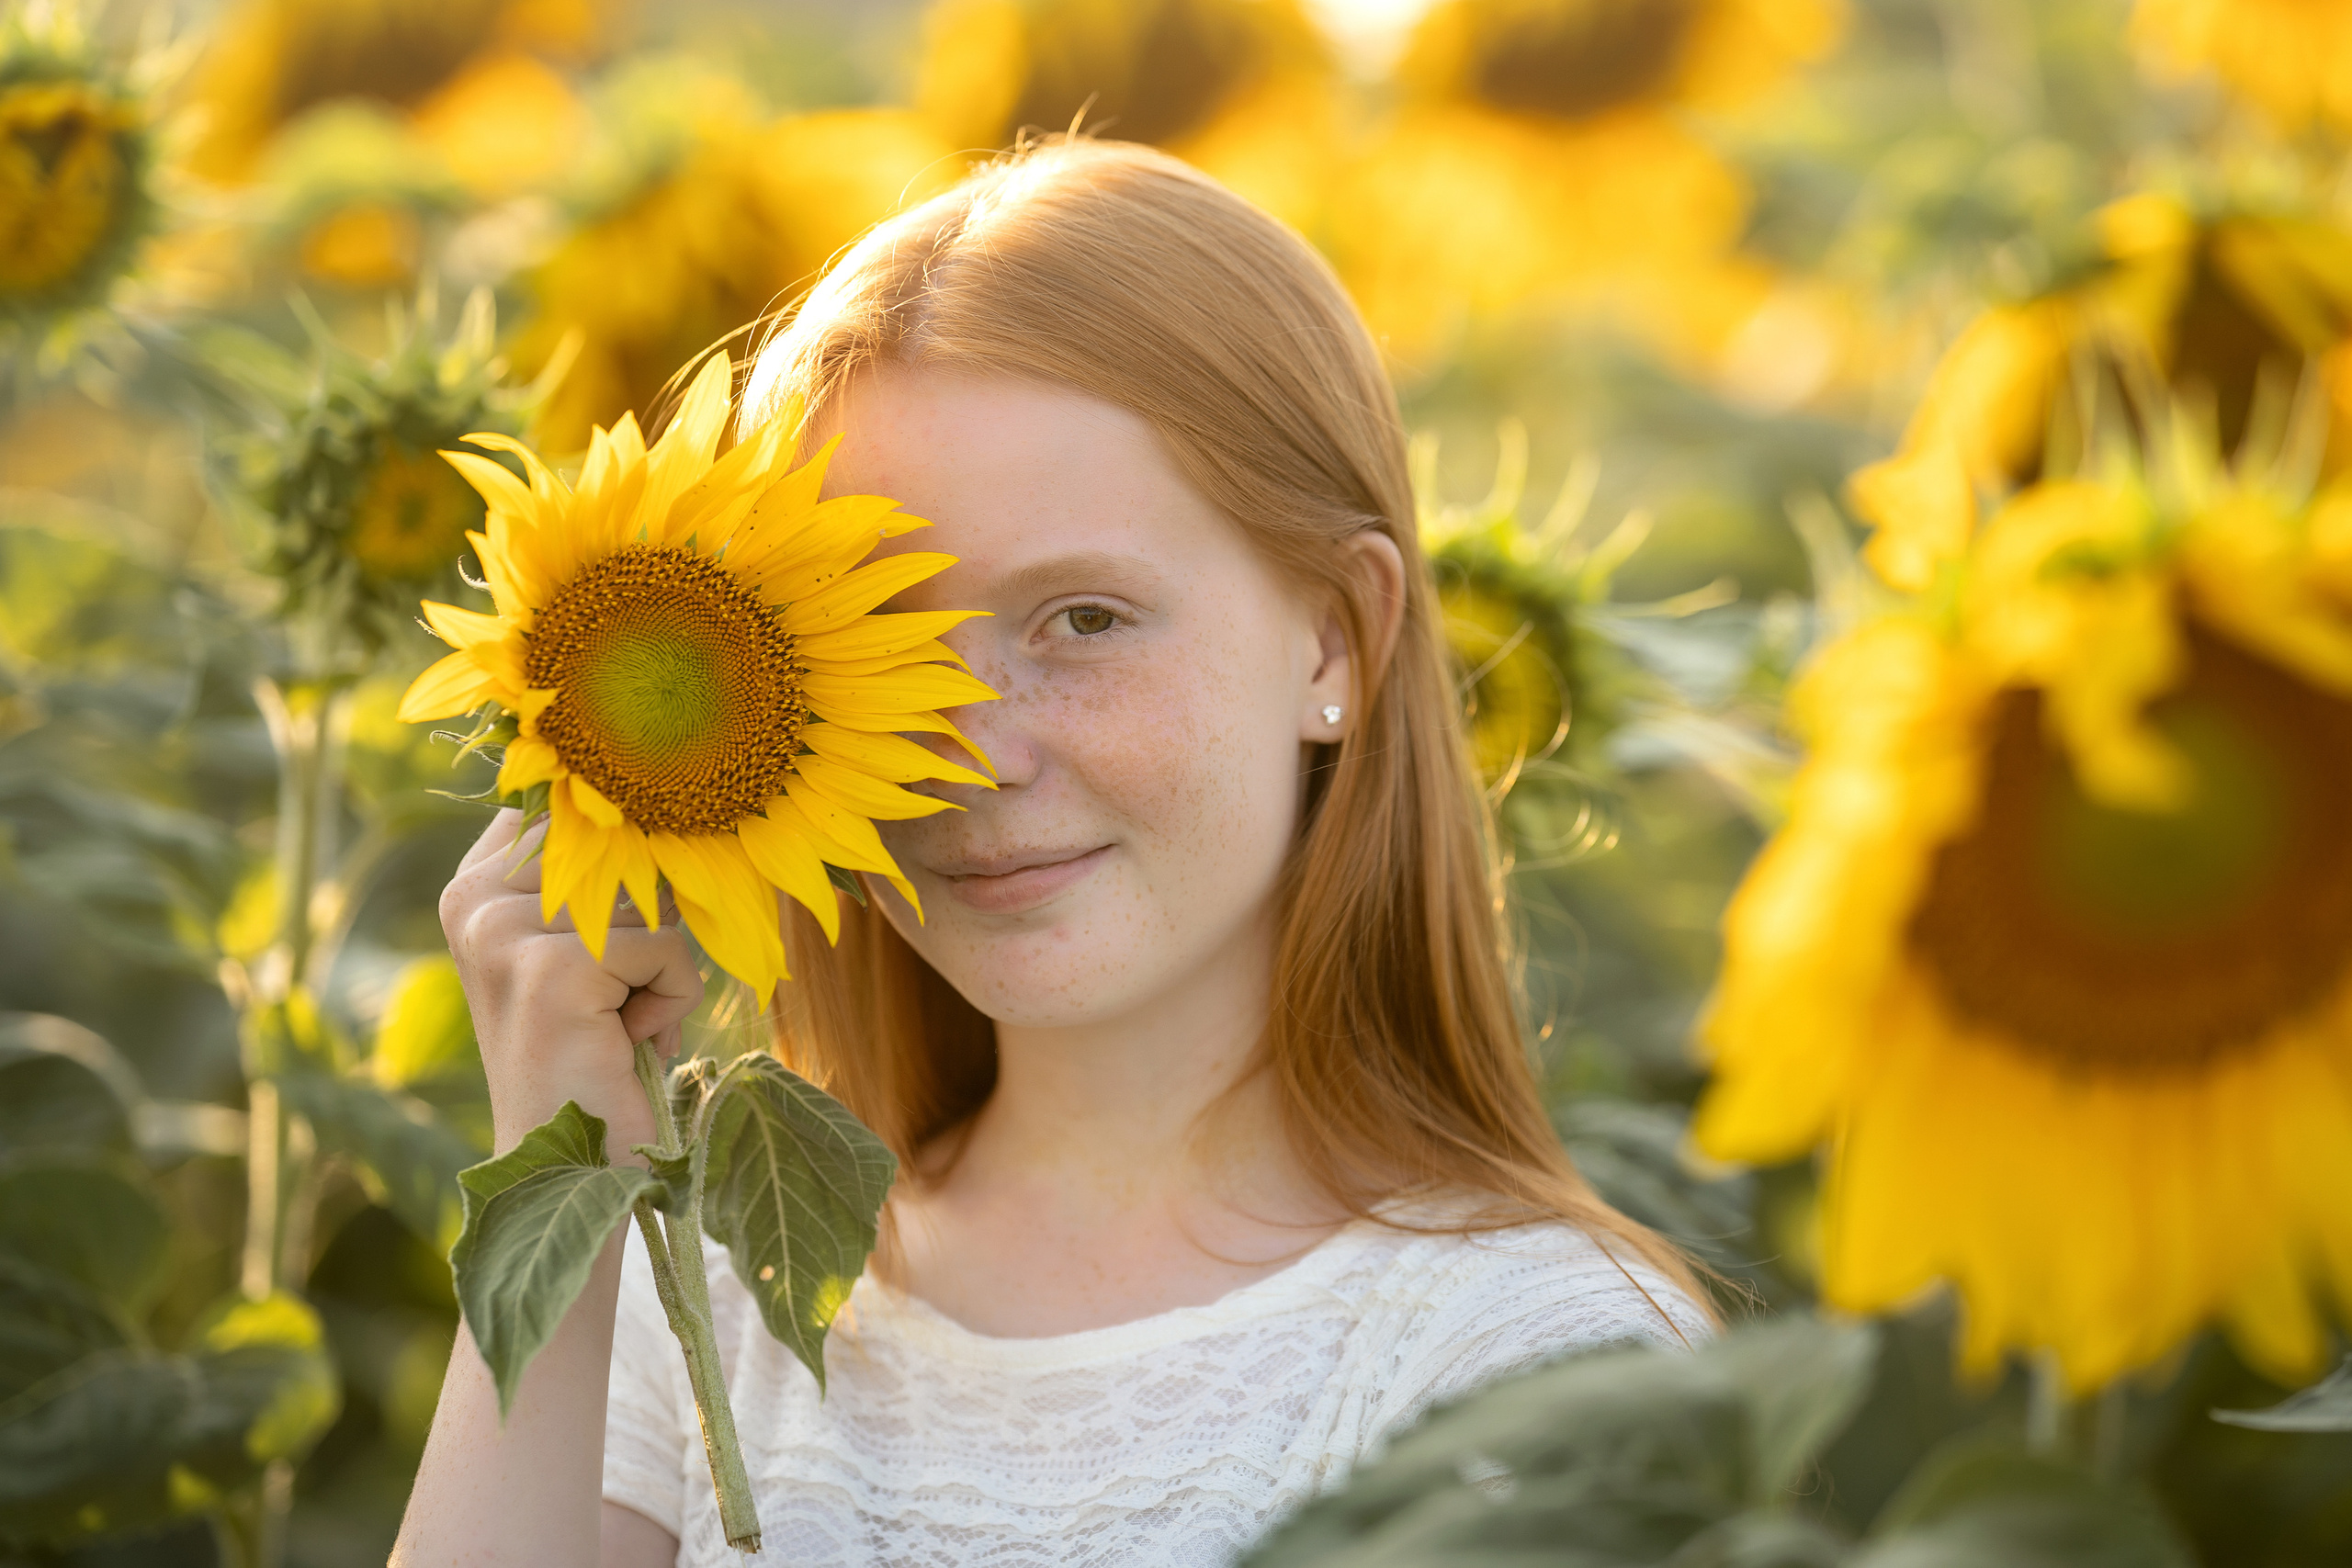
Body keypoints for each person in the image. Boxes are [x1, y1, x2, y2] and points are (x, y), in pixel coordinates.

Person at [394, 138, 1713, 1568]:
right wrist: (562, 1185)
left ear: (1334, 640)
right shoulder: (707, 1287)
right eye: (890, 654)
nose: (974, 756)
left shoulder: (1540, 1370)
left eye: (1083, 620)